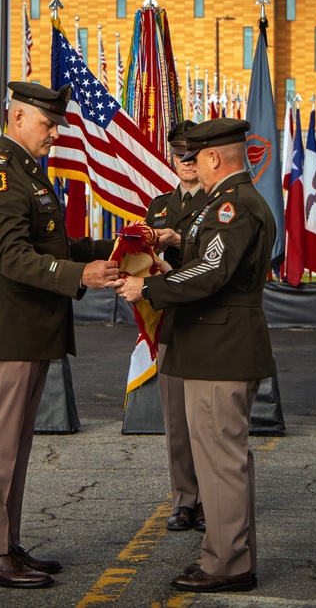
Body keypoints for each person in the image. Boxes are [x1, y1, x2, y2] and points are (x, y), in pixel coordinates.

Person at [0, 81, 121, 589]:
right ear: (17, 118)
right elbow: (11, 258)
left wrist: (114, 249)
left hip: (27, 332)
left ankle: (5, 544)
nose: (54, 134)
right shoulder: (2, 178)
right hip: (8, 330)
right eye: (48, 124)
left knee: (17, 447)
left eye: (56, 125)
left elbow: (57, 244)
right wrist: (80, 277)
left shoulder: (27, 174)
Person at [120, 117, 276, 593]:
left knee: (221, 461)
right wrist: (168, 268)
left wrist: (147, 284)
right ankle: (230, 558)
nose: (193, 165)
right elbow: (208, 266)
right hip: (216, 345)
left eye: (198, 157)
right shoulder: (230, 203)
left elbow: (211, 273)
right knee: (222, 459)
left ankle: (226, 565)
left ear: (213, 158)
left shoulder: (232, 207)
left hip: (219, 347)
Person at [144, 119, 207, 532]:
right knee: (177, 421)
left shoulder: (221, 202)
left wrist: (181, 244)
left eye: (192, 152)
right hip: (171, 322)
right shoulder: (159, 206)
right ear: (170, 156)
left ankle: (211, 501)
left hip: (207, 320)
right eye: (178, 152)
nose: (185, 161)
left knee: (209, 420)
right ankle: (185, 500)